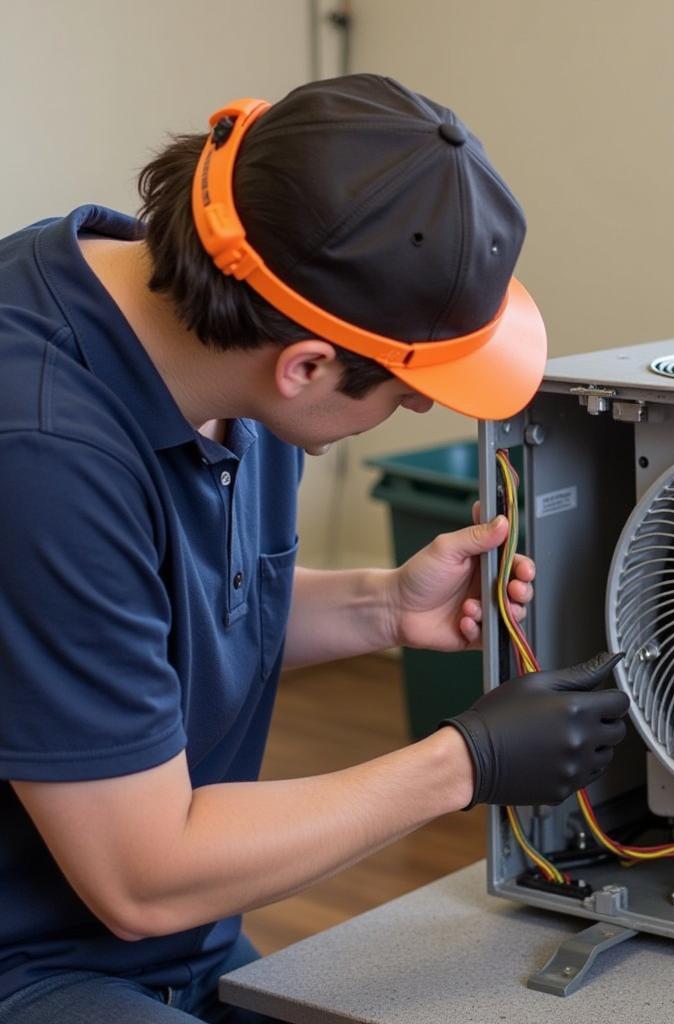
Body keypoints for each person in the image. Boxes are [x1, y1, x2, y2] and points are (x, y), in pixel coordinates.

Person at [0, 74, 630, 1023]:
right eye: (408, 387)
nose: (418, 406)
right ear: (306, 366)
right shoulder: (41, 453)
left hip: (180, 938)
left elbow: (144, 617)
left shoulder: (221, 334)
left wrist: (383, 606)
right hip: (41, 960)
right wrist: (463, 762)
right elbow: (143, 877)